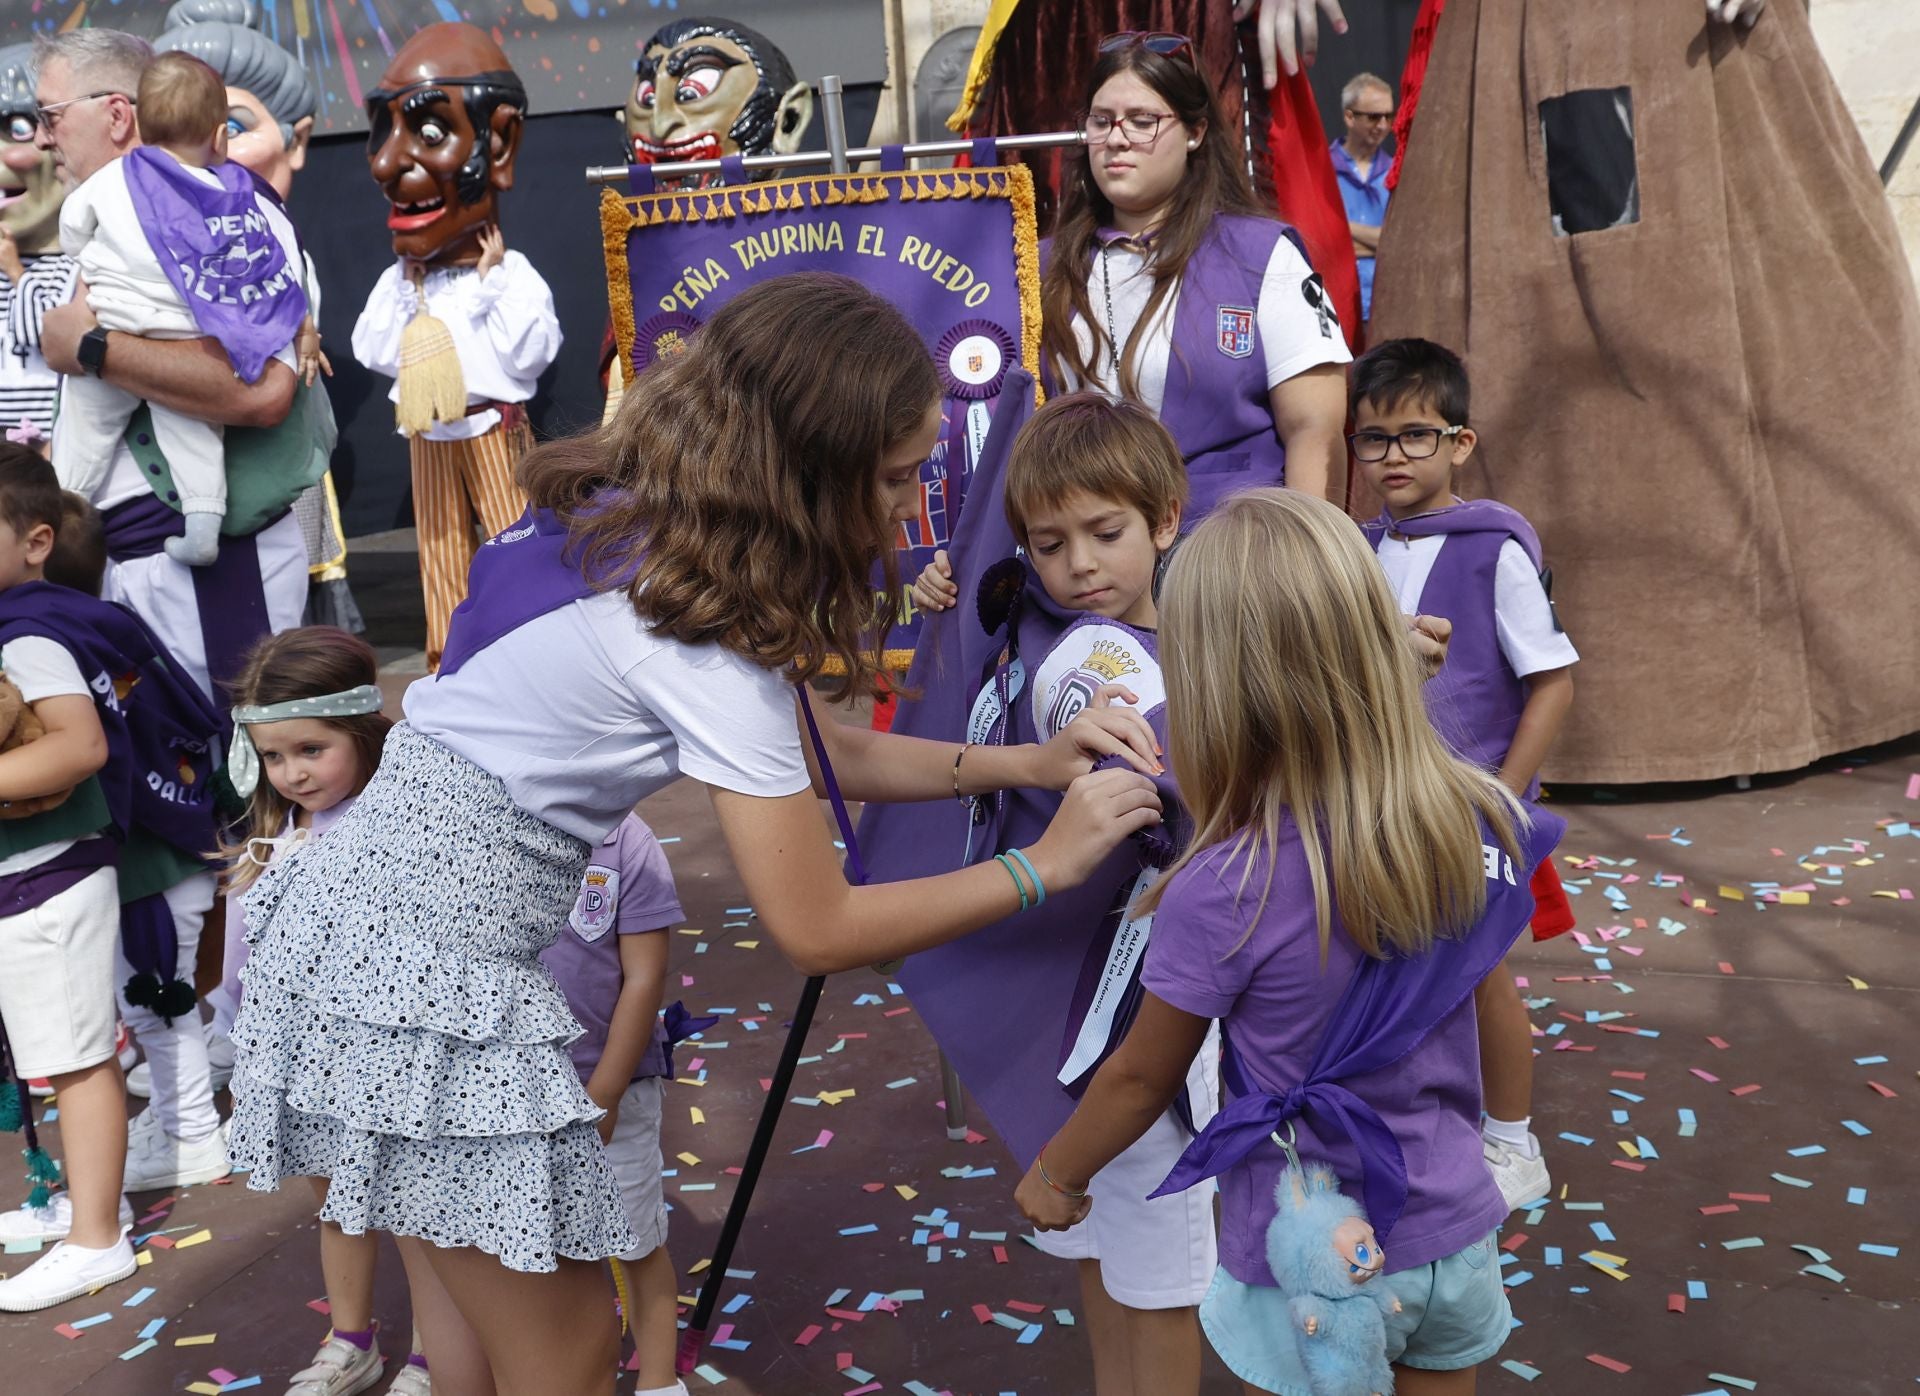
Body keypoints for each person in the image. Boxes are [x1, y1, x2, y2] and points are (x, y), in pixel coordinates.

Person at [225, 272, 1163, 1396]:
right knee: (567, 1344)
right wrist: (1042, 864)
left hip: (363, 944)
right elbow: (818, 925)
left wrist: (1026, 762)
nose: (914, 510)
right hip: (427, 986)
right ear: (816, 471)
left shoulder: (640, 532)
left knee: (470, 1329)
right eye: (902, 476)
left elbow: (816, 750)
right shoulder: (695, 643)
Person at [1016, 488, 1565, 1396]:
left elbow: (1142, 1074)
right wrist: (1508, 1140)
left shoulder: (1222, 889)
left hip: (1315, 1247)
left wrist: (1058, 1172)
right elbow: (1492, 997)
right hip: (1451, 1231)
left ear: (1209, 687)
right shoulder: (1458, 822)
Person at [961, 393, 1217, 1396]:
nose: (1077, 566)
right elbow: (1190, 788)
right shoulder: (1089, 654)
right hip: (1117, 1025)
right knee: (1131, 1273)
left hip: (1118, 1020)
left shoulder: (1192, 628)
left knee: (1136, 1271)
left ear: (1164, 518)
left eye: (1105, 533)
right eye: (1049, 542)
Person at [1349, 339, 1577, 1211]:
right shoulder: (1356, 549)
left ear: (1461, 443)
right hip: (1374, 805)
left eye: (1416, 435)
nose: (1395, 457)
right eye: (1374, 440)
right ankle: (1414, 1124)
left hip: (1467, 807)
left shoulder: (1496, 548)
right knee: (1392, 966)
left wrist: (1505, 801)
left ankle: (1513, 1143)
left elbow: (1552, 681)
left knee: (1479, 971)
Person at [33, 26, 314, 705]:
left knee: (240, 774)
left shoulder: (237, 215)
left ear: (117, 113)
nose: (43, 139)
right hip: (123, 565)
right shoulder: (104, 222)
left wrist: (93, 348)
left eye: (51, 116)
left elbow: (261, 394)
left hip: (217, 568)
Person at [217, 628, 442, 1396]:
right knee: (338, 1203)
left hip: (388, 1054)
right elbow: (247, 948)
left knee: (412, 1207)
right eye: (274, 758)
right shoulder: (278, 833)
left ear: (360, 730)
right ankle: (352, 1339)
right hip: (307, 1061)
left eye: (311, 750)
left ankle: (432, 1352)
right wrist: (234, 1029)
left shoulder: (398, 828)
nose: (292, 773)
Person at [1042, 32, 1349, 506]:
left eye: (1142, 121)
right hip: (1082, 558)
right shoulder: (1039, 264)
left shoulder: (1263, 255)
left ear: (1194, 132)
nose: (1117, 138)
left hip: (1233, 555)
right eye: (1101, 122)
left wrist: (1312, 567)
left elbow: (1316, 430)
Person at [348, 24, 559, 672]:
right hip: (430, 430)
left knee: (512, 536)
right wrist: (405, 297)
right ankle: (449, 658)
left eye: (429, 133)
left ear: (499, 142)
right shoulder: (403, 282)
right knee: (439, 549)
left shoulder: (510, 275)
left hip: (493, 427)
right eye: (382, 134)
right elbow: (371, 350)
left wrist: (491, 285)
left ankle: (531, 647)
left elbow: (528, 355)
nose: (388, 163)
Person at [154, 0, 364, 635]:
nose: (208, 147)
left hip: (274, 446)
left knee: (286, 618)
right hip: (189, 464)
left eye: (233, 125)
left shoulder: (267, 233)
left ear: (296, 140)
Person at [0, 446, 135, 1310]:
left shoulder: (28, 630)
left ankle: (98, 1237)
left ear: (38, 540)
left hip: (50, 877)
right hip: (32, 880)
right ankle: (79, 1207)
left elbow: (77, 746)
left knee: (79, 1060)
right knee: (51, 1052)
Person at [540, 814, 690, 1396]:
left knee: (635, 1241)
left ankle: (658, 1381)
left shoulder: (627, 842)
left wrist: (603, 1094)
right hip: (513, 1091)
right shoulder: (486, 817)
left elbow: (644, 976)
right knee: (543, 1246)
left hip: (612, 1086)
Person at [0, 44, 78, 451]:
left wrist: (15, 271)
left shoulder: (80, 266)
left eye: (16, 129)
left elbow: (44, 336)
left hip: (53, 446)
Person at [1329, 72, 1392, 322]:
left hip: (1385, 306)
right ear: (1349, 116)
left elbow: (1398, 243)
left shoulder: (1398, 173)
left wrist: (1344, 228)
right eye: (1374, 117)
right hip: (1336, 306)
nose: (1383, 126)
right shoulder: (1322, 171)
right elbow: (1321, 243)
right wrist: (1378, 243)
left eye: (1389, 116)